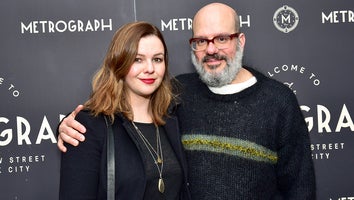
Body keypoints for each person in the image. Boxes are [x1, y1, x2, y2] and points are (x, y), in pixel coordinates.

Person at [58, 3, 316, 199]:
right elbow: (114, 106)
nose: (211, 49)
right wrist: (68, 125)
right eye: (201, 41)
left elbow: (300, 190)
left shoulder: (278, 101)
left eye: (222, 38)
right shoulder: (180, 93)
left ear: (240, 41)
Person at [58, 21, 191, 200]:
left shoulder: (174, 117)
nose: (150, 69)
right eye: (138, 59)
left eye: (157, 59)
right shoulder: (89, 126)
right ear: (119, 62)